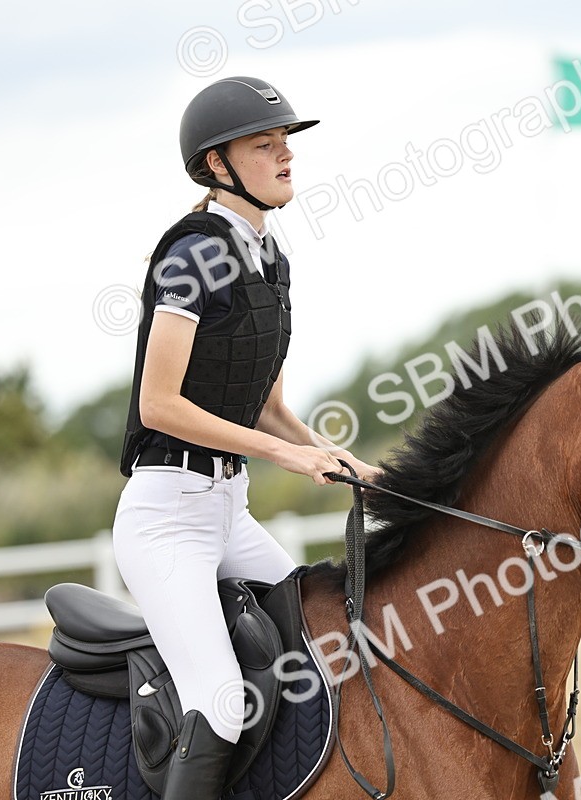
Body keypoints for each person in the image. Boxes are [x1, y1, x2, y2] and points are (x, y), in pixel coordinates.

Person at [114, 75, 380, 800]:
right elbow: (159, 403)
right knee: (222, 699)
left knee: (320, 651)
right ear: (218, 165)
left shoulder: (272, 258)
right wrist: (288, 456)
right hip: (168, 520)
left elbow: (267, 409)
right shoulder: (191, 256)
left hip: (228, 513)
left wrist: (336, 455)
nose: (286, 155)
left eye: (286, 142)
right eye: (266, 145)